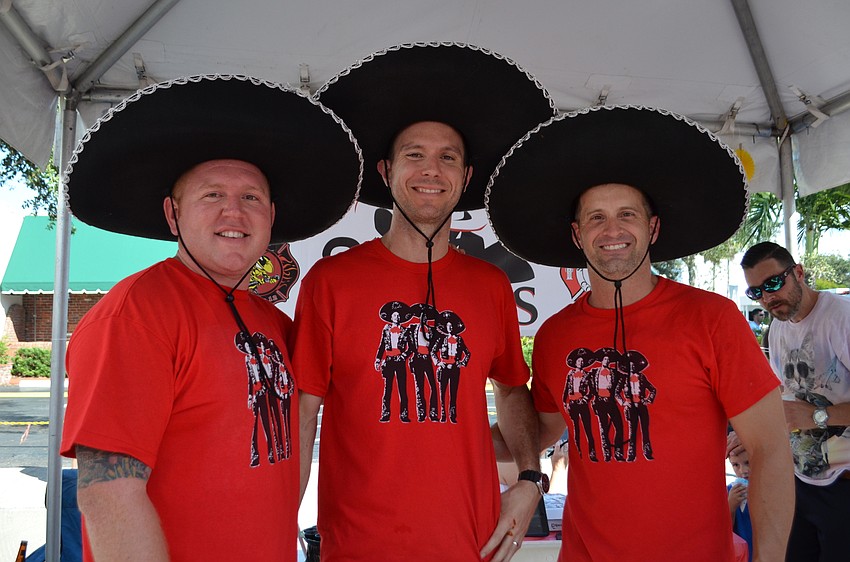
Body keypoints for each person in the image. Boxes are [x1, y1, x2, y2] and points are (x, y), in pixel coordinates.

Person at [59, 75, 361, 561]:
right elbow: (108, 491)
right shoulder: (137, 314)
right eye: (212, 195)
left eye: (251, 198)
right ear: (172, 214)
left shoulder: (275, 324)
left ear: (271, 216)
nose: (234, 213)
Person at [486, 106, 794, 561]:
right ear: (576, 234)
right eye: (595, 218)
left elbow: (769, 449)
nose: (612, 230)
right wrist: (449, 432)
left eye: (627, 214)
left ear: (652, 228)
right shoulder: (557, 334)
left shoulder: (711, 318)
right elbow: (543, 428)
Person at [294, 43, 557, 561]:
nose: (430, 170)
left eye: (447, 158)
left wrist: (529, 478)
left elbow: (511, 389)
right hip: (358, 545)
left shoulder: (489, 285)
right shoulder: (331, 280)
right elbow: (303, 415)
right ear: (386, 170)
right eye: (414, 155)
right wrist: (278, 521)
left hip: (471, 542)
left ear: (465, 177)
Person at [739, 241, 850, 561]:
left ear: (798, 272)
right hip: (799, 480)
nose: (768, 297)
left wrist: (818, 416)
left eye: (774, 283)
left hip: (843, 485)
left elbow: (804, 413)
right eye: (756, 292)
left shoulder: (840, 318)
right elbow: (782, 400)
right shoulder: (777, 330)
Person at [728, 447, 754, 562]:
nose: (743, 470)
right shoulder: (729, 493)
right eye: (735, 465)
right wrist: (731, 507)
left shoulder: (771, 490)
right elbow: (724, 532)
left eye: (747, 462)